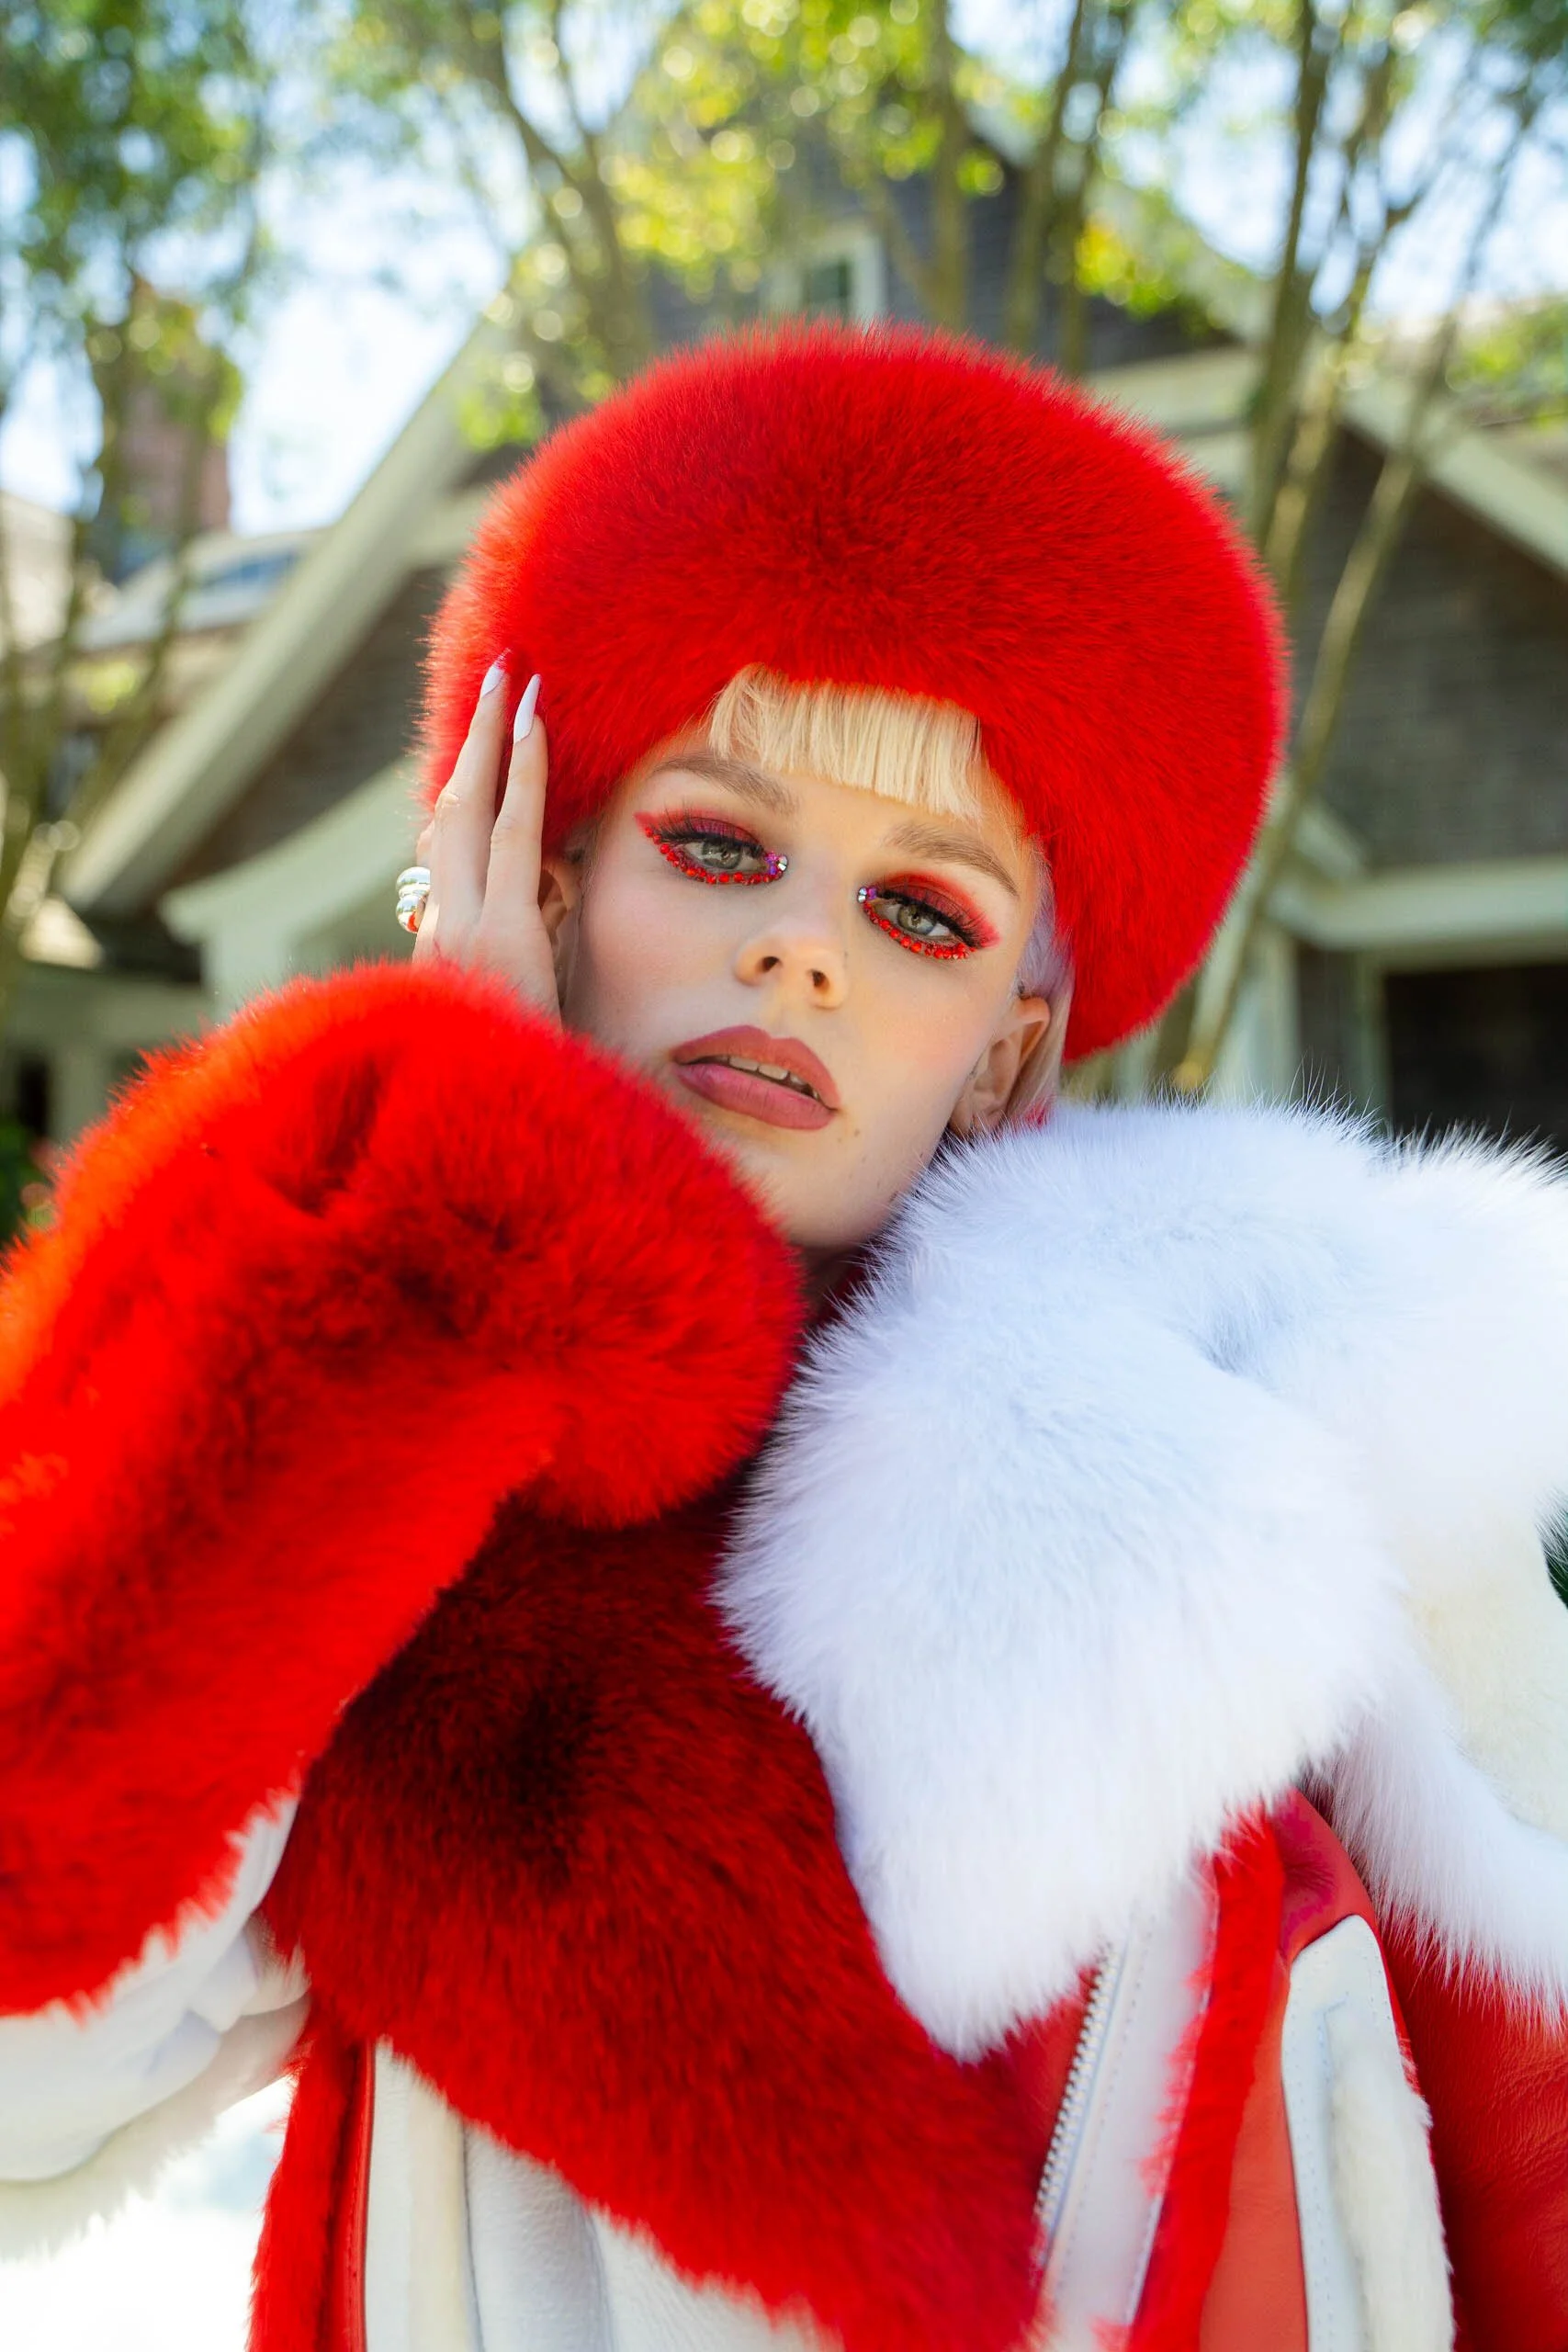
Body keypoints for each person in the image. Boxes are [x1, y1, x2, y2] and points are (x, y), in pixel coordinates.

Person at [1, 323, 1565, 2352]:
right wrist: (429, 1198)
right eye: (719, 845)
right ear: (538, 883)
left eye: (921, 911)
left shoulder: (1307, 1470)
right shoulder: (386, 1503)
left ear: (1005, 1048)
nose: (798, 946)